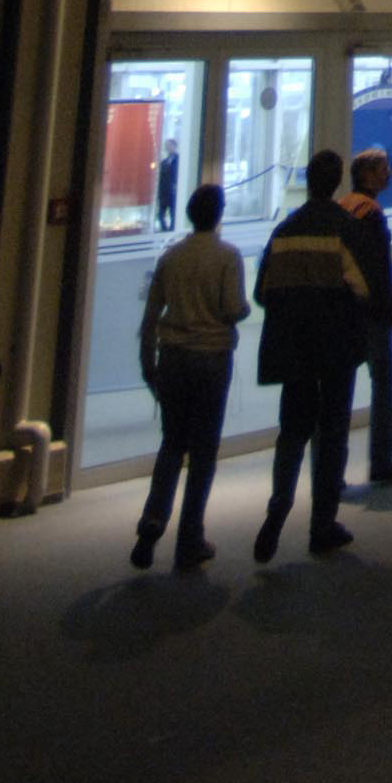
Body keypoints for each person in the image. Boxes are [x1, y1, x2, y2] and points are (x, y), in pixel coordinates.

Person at [251, 147, 370, 561]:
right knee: (332, 436)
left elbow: (261, 291)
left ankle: (277, 513)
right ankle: (322, 524)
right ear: (337, 181)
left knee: (293, 433)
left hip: (295, 350)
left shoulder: (284, 231)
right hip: (335, 349)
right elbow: (361, 289)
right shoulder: (344, 228)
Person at [130, 181, 248, 571]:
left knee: (172, 443)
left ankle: (152, 520)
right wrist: (243, 310)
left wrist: (149, 363)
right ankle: (190, 537)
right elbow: (232, 307)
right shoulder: (228, 256)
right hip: (211, 357)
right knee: (203, 451)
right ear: (219, 214)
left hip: (174, 357)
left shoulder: (171, 257)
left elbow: (150, 317)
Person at [338, 145, 392, 486]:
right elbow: (378, 269)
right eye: (382, 169)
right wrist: (387, 308)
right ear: (366, 174)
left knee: (341, 392)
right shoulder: (370, 212)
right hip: (374, 314)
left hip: (347, 313)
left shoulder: (344, 208)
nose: (388, 174)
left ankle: (332, 471)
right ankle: (381, 462)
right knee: (383, 386)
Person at [154, 137, 179, 230]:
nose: (167, 148)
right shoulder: (164, 162)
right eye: (166, 146)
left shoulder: (179, 160)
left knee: (173, 213)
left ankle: (172, 230)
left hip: (173, 191)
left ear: (174, 146)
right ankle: (164, 230)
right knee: (161, 214)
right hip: (164, 192)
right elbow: (161, 177)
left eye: (169, 145)